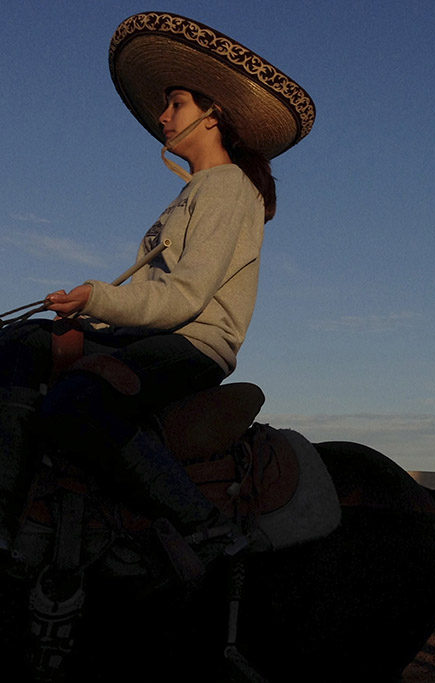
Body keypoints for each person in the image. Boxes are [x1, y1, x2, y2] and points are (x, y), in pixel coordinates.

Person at [0, 12, 315, 563]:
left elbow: (185, 299)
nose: (164, 117)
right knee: (21, 342)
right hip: (153, 335)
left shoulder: (227, 189)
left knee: (76, 403)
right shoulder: (195, 193)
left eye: (177, 105)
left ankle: (205, 525)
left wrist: (96, 298)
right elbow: (151, 293)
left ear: (213, 115)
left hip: (193, 345)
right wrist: (91, 316)